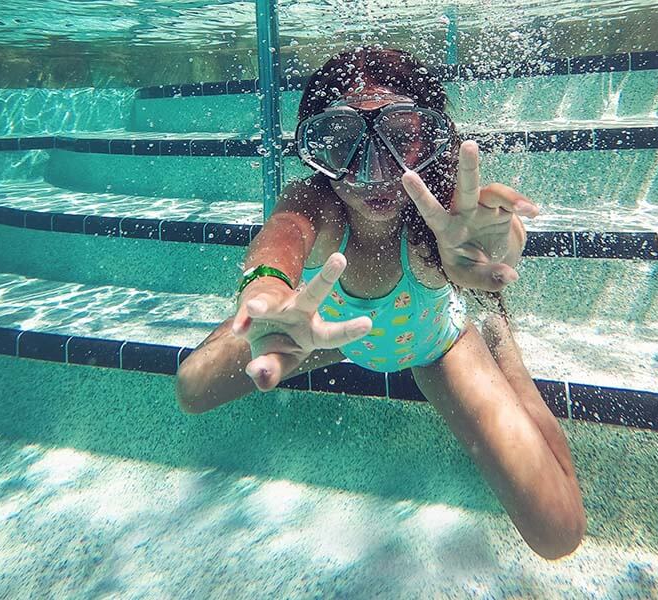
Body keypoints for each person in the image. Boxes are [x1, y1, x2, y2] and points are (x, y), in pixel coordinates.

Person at [176, 46, 586, 560]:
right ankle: (283, 323)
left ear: (429, 141)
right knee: (191, 387)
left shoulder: (442, 214)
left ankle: (503, 341)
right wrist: (266, 288)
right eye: (343, 143)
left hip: (437, 344)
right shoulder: (315, 200)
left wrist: (498, 246)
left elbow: (490, 236)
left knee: (558, 534)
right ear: (316, 150)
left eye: (400, 139)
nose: (373, 170)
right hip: (327, 331)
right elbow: (283, 234)